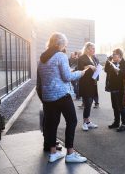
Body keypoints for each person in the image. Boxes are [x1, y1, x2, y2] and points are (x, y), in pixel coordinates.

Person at [37, 32, 88, 163]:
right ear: (59, 44)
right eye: (65, 44)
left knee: (52, 124)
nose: (65, 47)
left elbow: (49, 76)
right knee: (72, 121)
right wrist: (80, 73)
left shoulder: (42, 58)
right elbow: (67, 77)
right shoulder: (60, 55)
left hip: (48, 97)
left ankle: (53, 153)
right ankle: (70, 154)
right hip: (61, 95)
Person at [104, 48, 125, 132]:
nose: (112, 55)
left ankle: (124, 124)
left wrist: (119, 71)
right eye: (112, 54)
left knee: (121, 107)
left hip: (121, 88)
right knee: (115, 106)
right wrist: (108, 62)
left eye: (114, 54)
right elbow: (106, 70)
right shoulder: (112, 62)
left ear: (119, 55)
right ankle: (116, 122)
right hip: (113, 87)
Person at [78, 42, 99, 131]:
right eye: (92, 48)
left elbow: (96, 67)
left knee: (90, 103)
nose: (94, 50)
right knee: (88, 102)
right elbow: (79, 69)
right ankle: (84, 122)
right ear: (87, 49)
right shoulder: (82, 58)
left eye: (94, 48)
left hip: (93, 83)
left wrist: (98, 69)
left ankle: (88, 121)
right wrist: (89, 66)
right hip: (85, 84)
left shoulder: (93, 57)